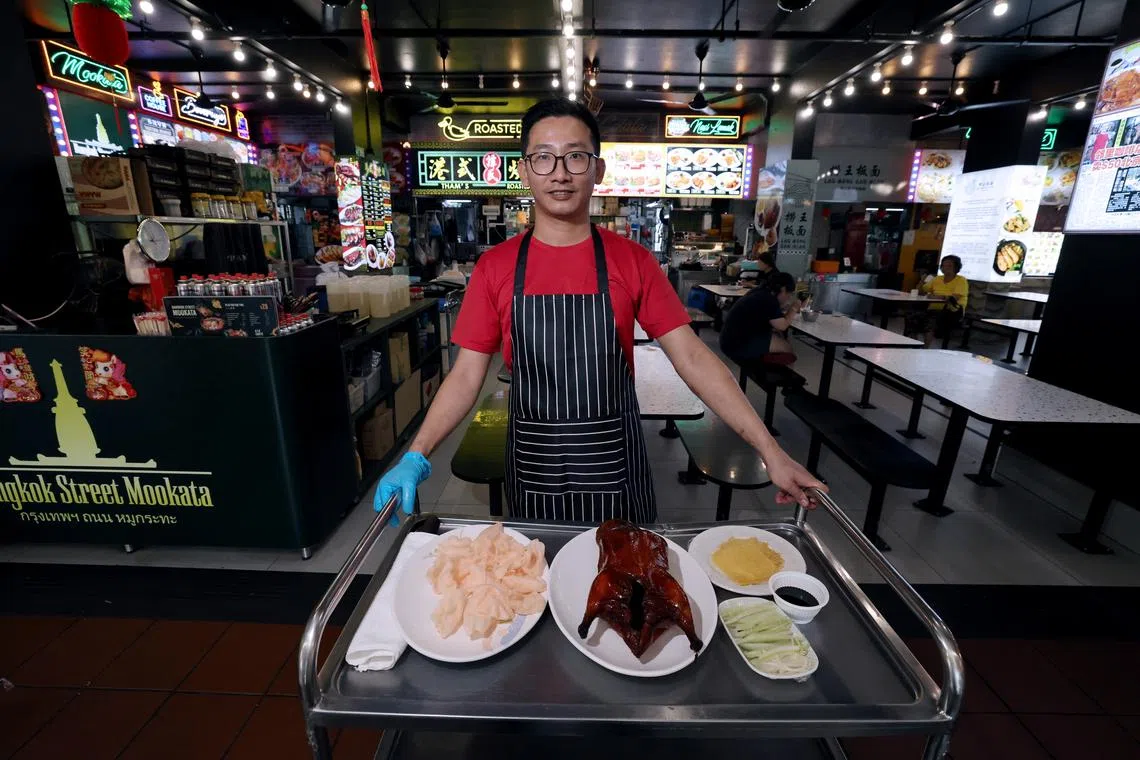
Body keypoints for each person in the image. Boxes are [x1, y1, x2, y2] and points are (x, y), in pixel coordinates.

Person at [374, 98, 825, 524]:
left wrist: (771, 449)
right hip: (535, 468)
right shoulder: (496, 267)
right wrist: (416, 454)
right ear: (524, 170)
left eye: (575, 157)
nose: (560, 173)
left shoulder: (632, 261)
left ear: (598, 170)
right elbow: (467, 374)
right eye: (543, 158)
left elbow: (693, 359)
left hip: (616, 467)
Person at [718, 272, 800, 363]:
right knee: (788, 349)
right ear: (783, 289)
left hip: (728, 340)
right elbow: (782, 326)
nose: (788, 298)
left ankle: (769, 366)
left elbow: (769, 314)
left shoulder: (760, 292)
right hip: (738, 345)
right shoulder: (768, 300)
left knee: (778, 335)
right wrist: (794, 307)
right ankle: (775, 375)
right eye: (789, 294)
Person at [917, 254, 968, 347]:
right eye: (943, 265)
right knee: (913, 317)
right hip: (933, 309)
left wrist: (936, 297)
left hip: (952, 311)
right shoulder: (937, 279)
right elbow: (921, 292)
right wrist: (922, 280)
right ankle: (913, 345)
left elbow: (954, 298)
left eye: (949, 266)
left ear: (956, 267)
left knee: (930, 320)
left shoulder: (961, 280)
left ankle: (925, 348)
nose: (945, 268)